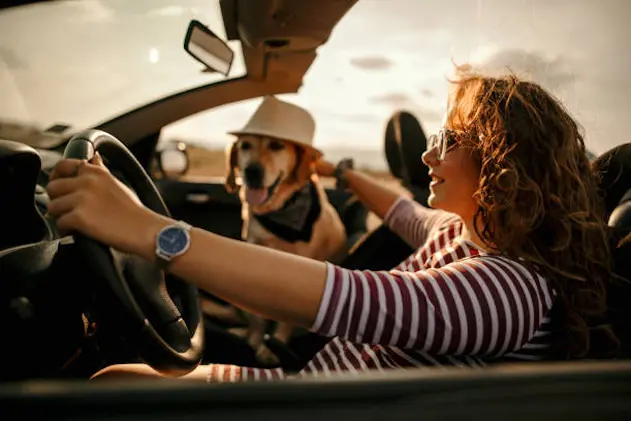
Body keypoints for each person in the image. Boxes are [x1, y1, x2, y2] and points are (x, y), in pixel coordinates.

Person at [46, 69, 615, 382]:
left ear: (502, 164)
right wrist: (338, 172)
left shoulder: (505, 292)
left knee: (114, 381)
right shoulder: (463, 233)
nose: (427, 157)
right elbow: (402, 212)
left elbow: (340, 297)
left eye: (445, 141)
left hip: (311, 404)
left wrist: (146, 229)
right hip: (315, 379)